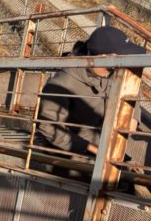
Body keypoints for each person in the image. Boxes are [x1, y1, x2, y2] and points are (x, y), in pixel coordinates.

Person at [37, 26, 145, 160]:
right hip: (70, 152)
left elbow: (131, 122)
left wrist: (133, 113)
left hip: (103, 146)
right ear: (104, 57)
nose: (128, 59)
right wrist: (93, 149)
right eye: (123, 55)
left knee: (130, 168)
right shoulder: (63, 82)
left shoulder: (116, 73)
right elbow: (48, 126)